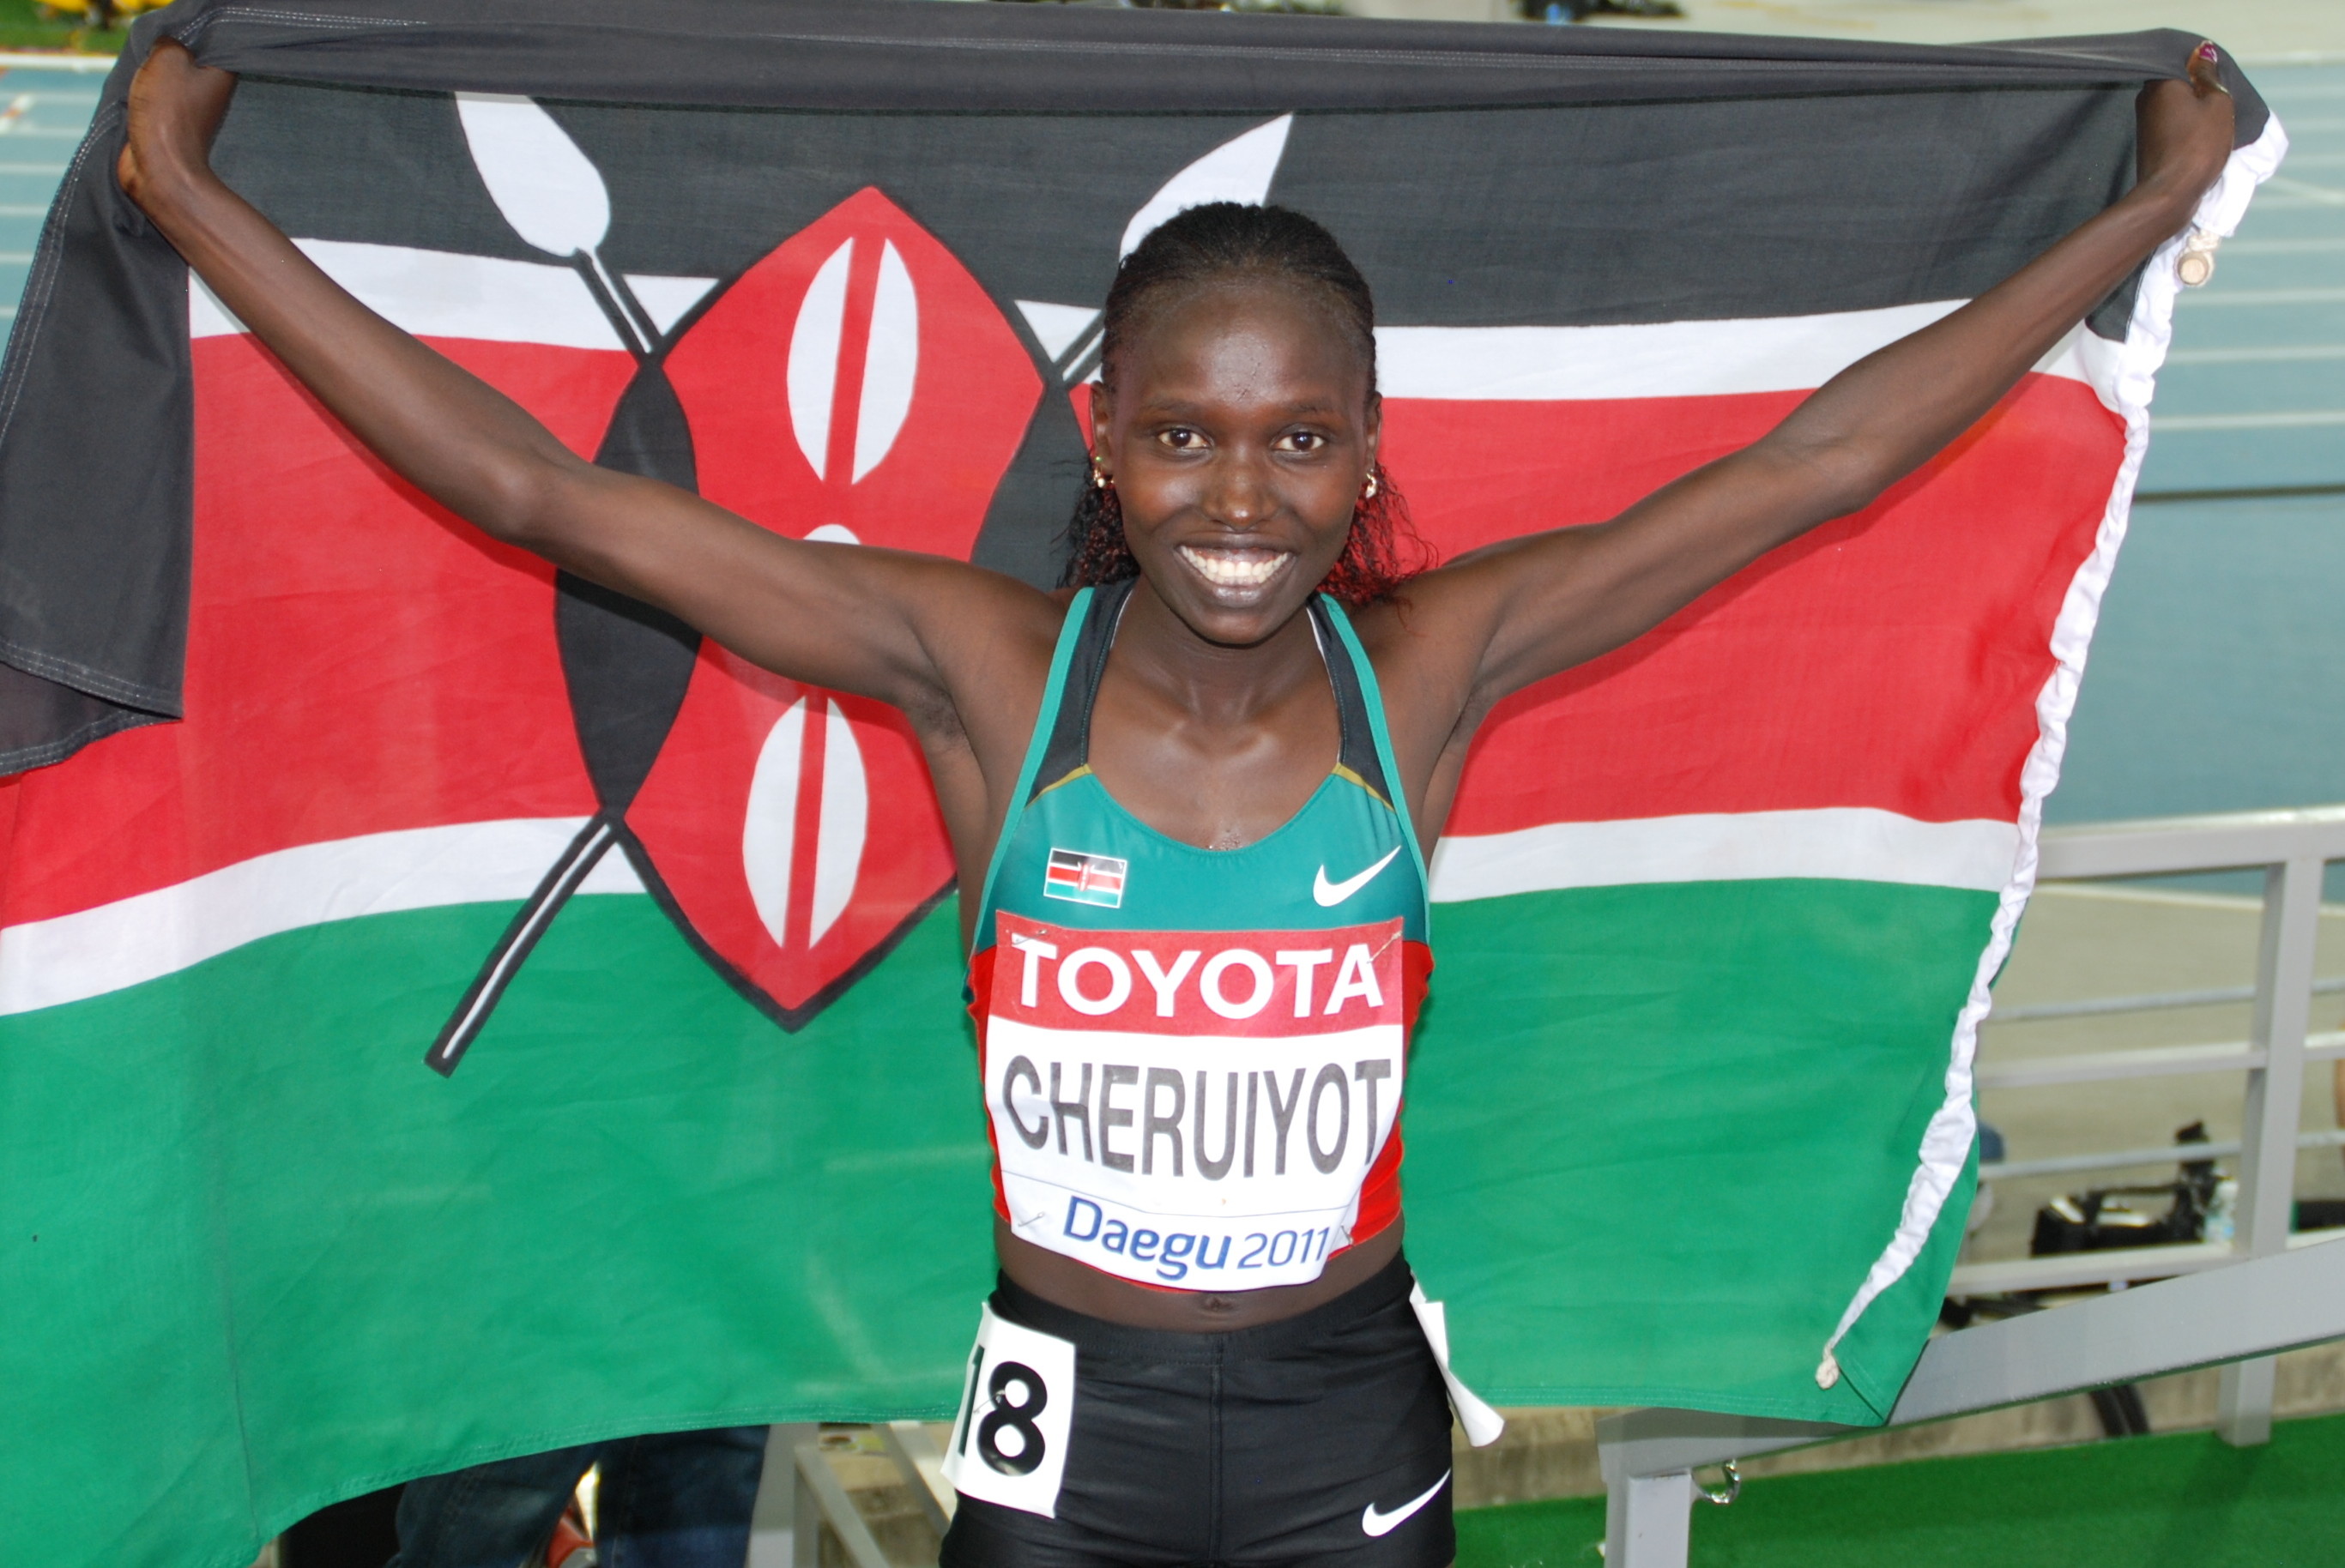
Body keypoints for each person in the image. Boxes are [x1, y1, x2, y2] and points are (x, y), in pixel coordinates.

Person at [118, 36, 2235, 1568]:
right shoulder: (979, 674)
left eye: (1299, 439)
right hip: (1062, 1439)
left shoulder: (1425, 670)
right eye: (1187, 438)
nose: (1242, 497)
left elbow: (1811, 467)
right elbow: (539, 488)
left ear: (1368, 446)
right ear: (1103, 437)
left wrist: (2140, 211)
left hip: (1347, 1425)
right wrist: (196, 199)